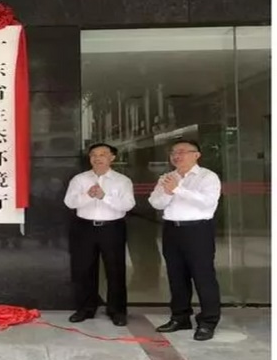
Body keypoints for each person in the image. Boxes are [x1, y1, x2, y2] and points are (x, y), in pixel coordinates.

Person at [148, 139, 221, 341]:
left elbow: (208, 203)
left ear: (196, 155)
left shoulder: (207, 177)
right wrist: (168, 192)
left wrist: (178, 189)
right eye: (173, 152)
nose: (176, 156)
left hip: (198, 230)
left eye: (182, 152)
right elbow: (155, 202)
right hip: (172, 229)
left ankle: (208, 321)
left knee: (203, 276)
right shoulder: (167, 177)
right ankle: (180, 317)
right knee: (176, 276)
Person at [64, 143, 135, 326]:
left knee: (115, 270)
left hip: (112, 228)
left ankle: (117, 311)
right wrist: (88, 196)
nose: (97, 158)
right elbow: (70, 202)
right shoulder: (79, 179)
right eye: (94, 155)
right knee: (83, 269)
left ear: (112, 158)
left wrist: (104, 197)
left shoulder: (122, 181)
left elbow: (128, 205)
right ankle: (85, 309)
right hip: (84, 228)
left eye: (103, 154)